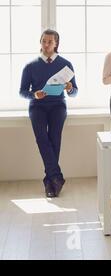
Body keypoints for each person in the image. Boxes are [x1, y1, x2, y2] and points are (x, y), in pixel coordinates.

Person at [20, 29, 78, 198]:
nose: (46, 45)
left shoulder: (66, 64)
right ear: (40, 42)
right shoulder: (30, 66)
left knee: (54, 139)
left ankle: (50, 181)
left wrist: (70, 88)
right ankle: (56, 177)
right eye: (44, 41)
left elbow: (74, 92)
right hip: (37, 106)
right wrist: (34, 94)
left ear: (56, 44)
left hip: (58, 106)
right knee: (42, 139)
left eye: (50, 42)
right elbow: (22, 91)